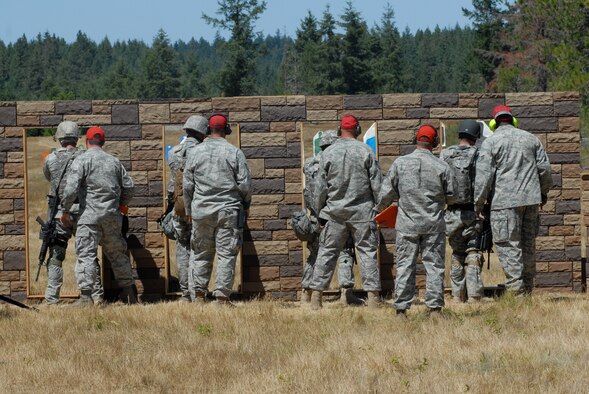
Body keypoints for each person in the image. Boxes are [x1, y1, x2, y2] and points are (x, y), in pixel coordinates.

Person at [376, 125, 455, 317]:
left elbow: (385, 195)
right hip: (433, 225)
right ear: (435, 143)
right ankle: (435, 309)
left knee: (404, 265)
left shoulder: (400, 163)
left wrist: (379, 210)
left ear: (416, 140)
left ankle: (401, 309)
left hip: (407, 225)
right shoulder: (442, 166)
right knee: (434, 266)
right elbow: (452, 197)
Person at [474, 105, 552, 295]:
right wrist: (542, 193)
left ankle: (516, 292)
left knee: (509, 245)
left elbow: (484, 176)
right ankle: (527, 290)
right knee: (527, 244)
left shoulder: (492, 142)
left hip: (504, 204)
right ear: (513, 120)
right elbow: (545, 170)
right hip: (531, 201)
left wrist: (479, 203)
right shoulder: (531, 139)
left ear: (494, 123)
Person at [309, 115, 382, 310]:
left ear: (339, 129)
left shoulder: (328, 153)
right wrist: (379, 210)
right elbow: (377, 186)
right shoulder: (366, 151)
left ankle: (316, 298)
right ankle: (373, 299)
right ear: (357, 130)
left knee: (326, 253)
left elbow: (320, 189)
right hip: (362, 213)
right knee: (367, 253)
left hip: (334, 212)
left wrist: (319, 214)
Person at [61, 126, 136, 305]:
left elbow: (71, 189)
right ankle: (129, 295)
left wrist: (65, 210)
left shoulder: (82, 160)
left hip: (89, 217)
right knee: (118, 254)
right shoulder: (114, 161)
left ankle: (87, 298)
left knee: (86, 255)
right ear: (103, 142)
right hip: (112, 216)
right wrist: (122, 205)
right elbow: (130, 187)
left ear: (86, 142)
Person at [183, 114, 251, 305]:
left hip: (201, 211)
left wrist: (189, 211)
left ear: (208, 129)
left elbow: (187, 186)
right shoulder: (234, 152)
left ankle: (198, 295)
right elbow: (245, 185)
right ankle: (221, 297)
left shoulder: (195, 152)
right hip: (228, 210)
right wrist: (246, 206)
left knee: (201, 253)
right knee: (226, 254)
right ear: (226, 129)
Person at [300, 130, 362, 306]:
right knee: (345, 252)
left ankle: (306, 294)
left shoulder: (309, 164)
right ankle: (346, 294)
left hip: (315, 215)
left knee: (315, 255)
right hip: (335, 215)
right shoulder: (336, 161)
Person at [42, 121, 93, 304]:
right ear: (76, 137)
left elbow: (49, 177)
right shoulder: (86, 156)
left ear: (59, 138)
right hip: (83, 212)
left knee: (56, 255)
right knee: (86, 254)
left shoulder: (51, 159)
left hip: (59, 215)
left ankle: (52, 298)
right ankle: (91, 295)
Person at [440, 120, 484, 303]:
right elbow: (483, 181)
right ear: (475, 136)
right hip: (473, 213)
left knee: (457, 253)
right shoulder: (479, 154)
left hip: (451, 214)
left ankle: (457, 296)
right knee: (473, 253)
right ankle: (474, 296)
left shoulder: (444, 154)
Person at [166, 115, 208, 302]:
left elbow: (172, 185)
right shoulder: (202, 151)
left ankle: (185, 294)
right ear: (202, 132)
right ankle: (195, 291)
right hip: (199, 208)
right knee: (198, 250)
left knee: (182, 248)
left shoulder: (174, 152)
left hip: (179, 208)